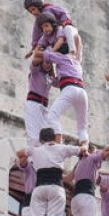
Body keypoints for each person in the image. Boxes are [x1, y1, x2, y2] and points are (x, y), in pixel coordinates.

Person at [22, 128, 82, 216]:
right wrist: (85, 145)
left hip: (39, 188)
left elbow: (20, 152)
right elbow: (81, 150)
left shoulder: (35, 150)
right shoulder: (62, 148)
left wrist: (22, 160)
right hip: (56, 187)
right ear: (54, 137)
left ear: (41, 139)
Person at [32, 14, 89, 143]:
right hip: (82, 91)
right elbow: (59, 82)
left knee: (52, 117)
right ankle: (84, 147)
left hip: (69, 90)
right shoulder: (76, 61)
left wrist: (49, 50)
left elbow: (40, 54)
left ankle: (58, 143)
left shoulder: (60, 57)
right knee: (82, 126)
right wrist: (52, 73)